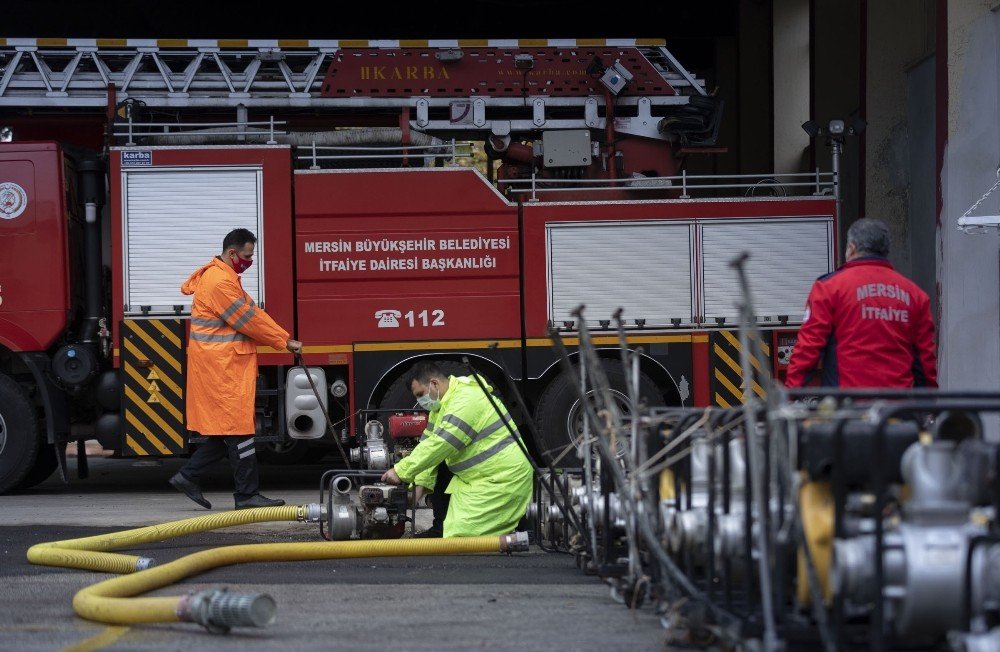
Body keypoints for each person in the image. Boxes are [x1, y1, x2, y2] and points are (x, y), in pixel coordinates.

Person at [169, 228, 303, 510]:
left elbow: (255, 314)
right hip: (223, 370)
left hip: (224, 367)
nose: (249, 260)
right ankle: (246, 495)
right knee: (240, 432)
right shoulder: (219, 283)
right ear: (232, 253)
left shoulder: (227, 279)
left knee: (227, 433)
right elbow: (248, 320)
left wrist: (283, 337)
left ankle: (188, 476)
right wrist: (284, 341)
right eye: (246, 255)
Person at [380, 361, 533, 538]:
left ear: (434, 384)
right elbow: (428, 446)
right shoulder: (442, 407)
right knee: (452, 530)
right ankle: (441, 528)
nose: (420, 401)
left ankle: (524, 531)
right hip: (481, 476)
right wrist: (418, 490)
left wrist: (401, 470)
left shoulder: (466, 399)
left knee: (459, 537)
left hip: (502, 478)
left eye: (420, 394)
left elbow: (441, 444)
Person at [785, 217, 938, 388]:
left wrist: (791, 394)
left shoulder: (829, 288)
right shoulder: (915, 296)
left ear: (851, 248)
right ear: (885, 251)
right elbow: (924, 363)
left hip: (847, 408)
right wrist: (927, 405)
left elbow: (809, 348)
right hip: (897, 408)